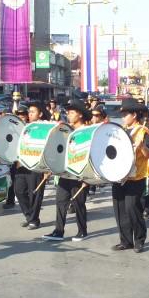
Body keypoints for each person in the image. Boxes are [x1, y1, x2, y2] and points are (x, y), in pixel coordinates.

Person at [110, 98, 149, 253]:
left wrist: (142, 146)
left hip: (135, 177)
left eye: (125, 114)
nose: (123, 117)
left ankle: (139, 239)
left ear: (134, 115)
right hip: (119, 176)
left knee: (132, 209)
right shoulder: (120, 131)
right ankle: (125, 241)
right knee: (119, 210)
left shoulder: (143, 132)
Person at [43, 100, 90, 242]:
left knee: (78, 203)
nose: (69, 115)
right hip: (64, 172)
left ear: (80, 115)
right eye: (68, 112)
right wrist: (52, 167)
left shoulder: (87, 131)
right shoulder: (65, 130)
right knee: (60, 201)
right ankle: (58, 231)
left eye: (72, 112)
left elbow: (90, 154)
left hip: (79, 174)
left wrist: (89, 177)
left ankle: (82, 231)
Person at [14, 101, 47, 230]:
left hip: (37, 166)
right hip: (22, 165)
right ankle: (29, 216)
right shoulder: (25, 127)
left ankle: (34, 219)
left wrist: (48, 168)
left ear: (40, 114)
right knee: (19, 191)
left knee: (35, 194)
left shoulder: (45, 128)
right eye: (29, 112)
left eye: (33, 112)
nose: (30, 114)